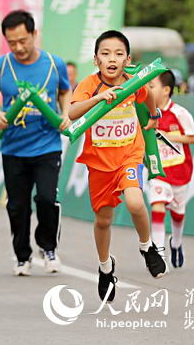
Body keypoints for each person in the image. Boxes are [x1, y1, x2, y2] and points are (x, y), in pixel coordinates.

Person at [69, 30, 168, 302]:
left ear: (127, 59)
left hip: (129, 155)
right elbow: (73, 112)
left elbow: (147, 94)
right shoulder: (90, 84)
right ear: (96, 60)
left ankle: (147, 247)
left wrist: (153, 115)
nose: (112, 59)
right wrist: (98, 99)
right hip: (100, 165)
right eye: (105, 53)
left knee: (136, 202)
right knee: (103, 221)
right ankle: (105, 267)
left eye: (118, 54)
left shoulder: (132, 82)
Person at [0, 10, 72, 276]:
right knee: (17, 205)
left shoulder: (54, 64)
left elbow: (65, 90)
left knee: (46, 198)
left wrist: (65, 113)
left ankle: (49, 247)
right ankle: (22, 255)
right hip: (13, 147)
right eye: (12, 43)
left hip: (47, 145)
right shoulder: (1, 66)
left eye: (23, 40)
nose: (19, 47)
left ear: (34, 34)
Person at [147, 70, 194, 268]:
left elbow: (193, 137)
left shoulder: (180, 113)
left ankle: (176, 243)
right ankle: (159, 254)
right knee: (157, 206)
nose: (149, 90)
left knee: (177, 214)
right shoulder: (148, 114)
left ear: (166, 90)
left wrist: (167, 135)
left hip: (179, 171)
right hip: (159, 172)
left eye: (153, 86)